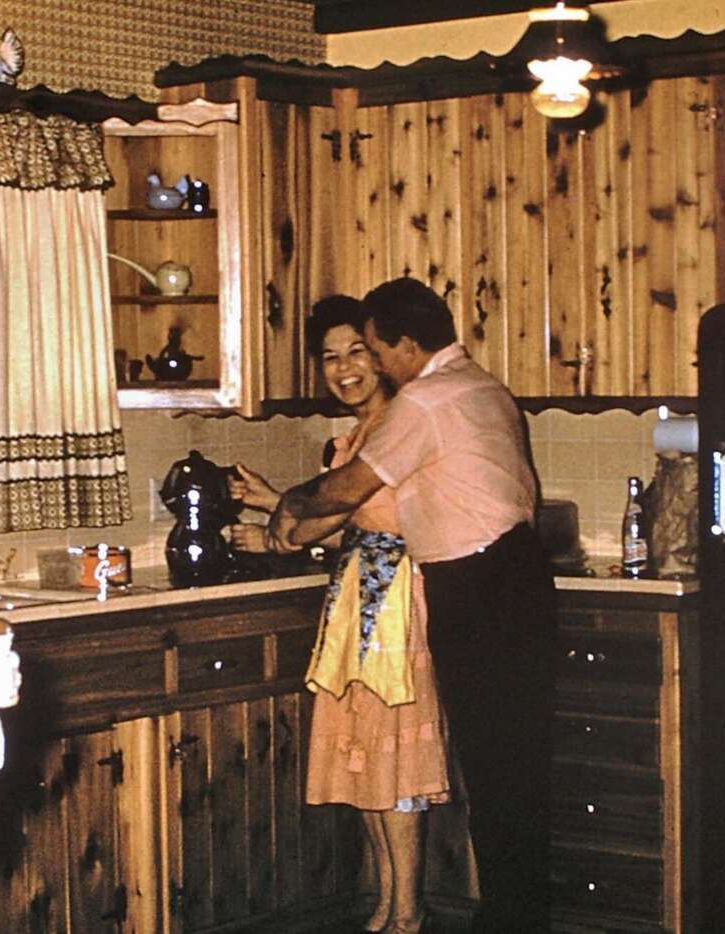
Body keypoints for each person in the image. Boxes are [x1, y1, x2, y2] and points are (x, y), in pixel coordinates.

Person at [268, 278, 557, 934]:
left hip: (476, 588)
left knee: (496, 770)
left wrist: (291, 504)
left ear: (403, 344)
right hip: (516, 581)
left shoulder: (424, 400)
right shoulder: (484, 387)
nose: (370, 362)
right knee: (513, 769)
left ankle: (510, 922)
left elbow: (352, 485)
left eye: (372, 347)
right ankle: (518, 918)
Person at [229, 294, 450, 934]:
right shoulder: (354, 437)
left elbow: (381, 520)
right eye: (330, 357)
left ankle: (407, 913)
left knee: (396, 761)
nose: (345, 368)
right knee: (368, 757)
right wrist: (276, 506)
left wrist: (282, 526)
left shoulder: (401, 424)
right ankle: (386, 905)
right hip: (359, 602)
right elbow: (354, 521)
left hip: (399, 606)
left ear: (382, 358)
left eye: (358, 351)